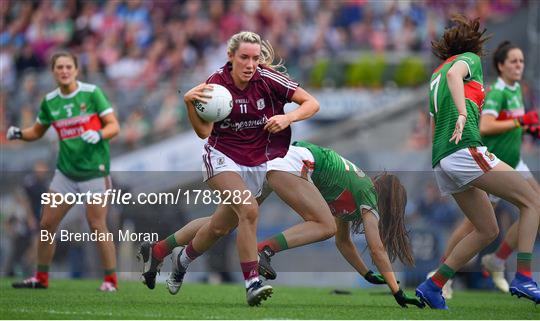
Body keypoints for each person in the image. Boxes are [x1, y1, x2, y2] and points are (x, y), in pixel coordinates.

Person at [138, 31, 320, 306]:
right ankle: (251, 283)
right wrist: (189, 103)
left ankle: (173, 255)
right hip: (221, 159)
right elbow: (202, 133)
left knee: (219, 227)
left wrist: (288, 117)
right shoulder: (215, 85)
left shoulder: (268, 79)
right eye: (244, 57)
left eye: (255, 58)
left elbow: (312, 103)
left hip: (258, 162)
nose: (250, 64)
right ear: (231, 57)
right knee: (248, 210)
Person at [415, 15, 540, 309]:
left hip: (443, 158)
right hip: (465, 150)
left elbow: (434, 122)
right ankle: (523, 275)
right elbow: (454, 77)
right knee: (533, 201)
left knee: (487, 228)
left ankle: (433, 285)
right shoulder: (466, 61)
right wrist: (461, 114)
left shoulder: (435, 73)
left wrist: (440, 162)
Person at [8, 52, 120, 291]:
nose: (64, 70)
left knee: (97, 225)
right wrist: (19, 133)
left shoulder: (91, 94)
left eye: (68, 66)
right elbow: (37, 131)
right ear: (54, 71)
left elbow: (114, 126)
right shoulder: (50, 101)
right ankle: (41, 278)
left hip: (94, 171)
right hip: (66, 174)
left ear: (76, 70)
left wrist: (99, 133)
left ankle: (110, 280)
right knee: (47, 224)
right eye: (59, 67)